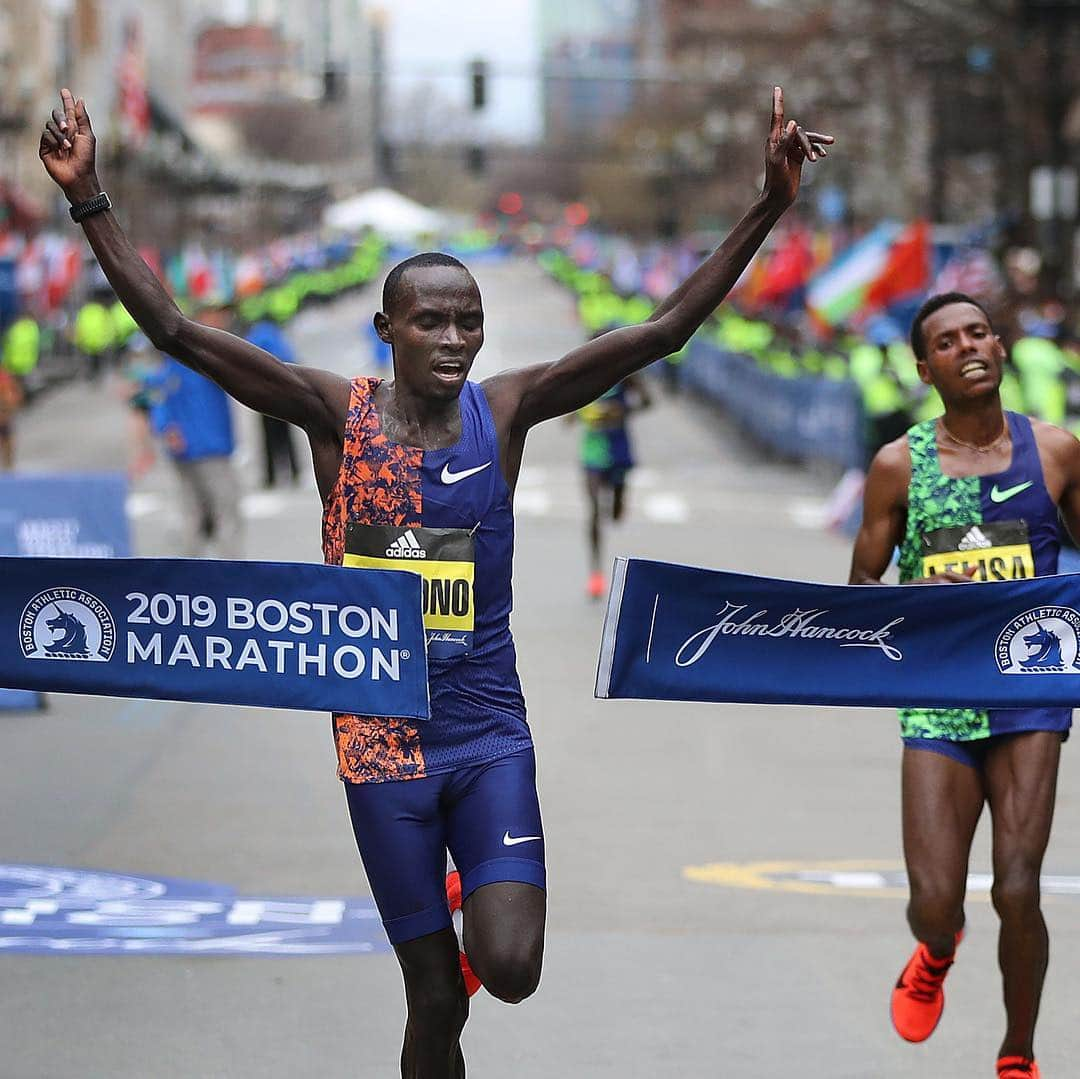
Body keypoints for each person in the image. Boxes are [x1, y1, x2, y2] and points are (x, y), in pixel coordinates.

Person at [40, 85, 831, 1078]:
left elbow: (664, 329)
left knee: (511, 967)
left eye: (470, 322)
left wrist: (768, 202)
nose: (455, 339)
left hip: (487, 728)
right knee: (434, 998)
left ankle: (475, 896)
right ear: (388, 330)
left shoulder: (507, 412)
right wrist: (90, 199)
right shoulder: (337, 416)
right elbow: (176, 332)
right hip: (380, 746)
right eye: (432, 322)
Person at [848, 292, 1080, 1079]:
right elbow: (862, 587)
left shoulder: (1053, 453)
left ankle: (1018, 1051)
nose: (969, 345)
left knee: (1019, 887)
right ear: (925, 368)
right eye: (948, 341)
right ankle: (936, 952)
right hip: (938, 699)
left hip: (1029, 691)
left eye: (980, 331)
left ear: (1002, 346)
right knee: (934, 902)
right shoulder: (898, 465)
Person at [574, 371, 651, 598]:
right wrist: (583, 413)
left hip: (618, 450)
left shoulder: (627, 375)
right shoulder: (583, 377)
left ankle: (619, 500)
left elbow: (648, 402)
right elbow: (567, 415)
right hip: (592, 453)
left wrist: (621, 412)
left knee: (615, 513)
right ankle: (596, 573)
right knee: (595, 511)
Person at [245, 318, 301, 487]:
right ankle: (294, 472)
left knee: (269, 439)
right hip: (285, 395)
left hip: (264, 396)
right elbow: (291, 360)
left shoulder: (254, 338)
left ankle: (271, 477)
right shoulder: (276, 336)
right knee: (287, 437)